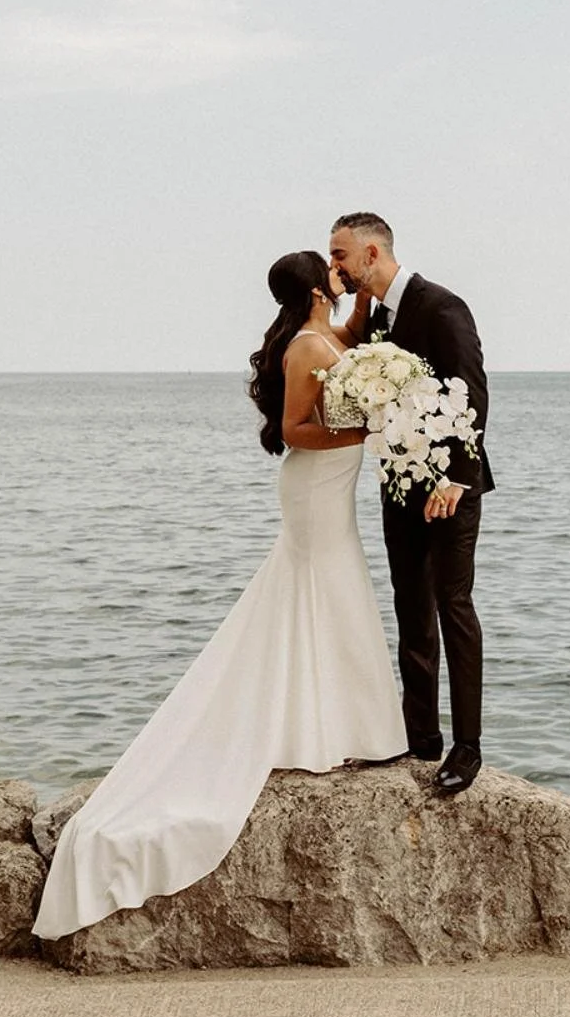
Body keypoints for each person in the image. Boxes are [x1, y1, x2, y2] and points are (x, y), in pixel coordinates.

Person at [32, 250, 405, 940]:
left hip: (330, 486)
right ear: (316, 287)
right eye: (331, 267)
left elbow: (353, 339)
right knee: (323, 588)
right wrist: (369, 430)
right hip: (315, 486)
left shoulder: (325, 334)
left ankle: (335, 725)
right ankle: (341, 725)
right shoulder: (303, 348)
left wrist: (367, 301)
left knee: (328, 594)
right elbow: (296, 428)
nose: (339, 270)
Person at [328, 211, 493, 796]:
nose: (336, 267)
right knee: (410, 611)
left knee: (453, 607)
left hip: (450, 487)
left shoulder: (443, 307)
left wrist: (455, 480)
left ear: (372, 254)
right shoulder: (375, 317)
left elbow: (473, 394)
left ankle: (466, 748)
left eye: (341, 255)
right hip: (399, 483)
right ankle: (419, 734)